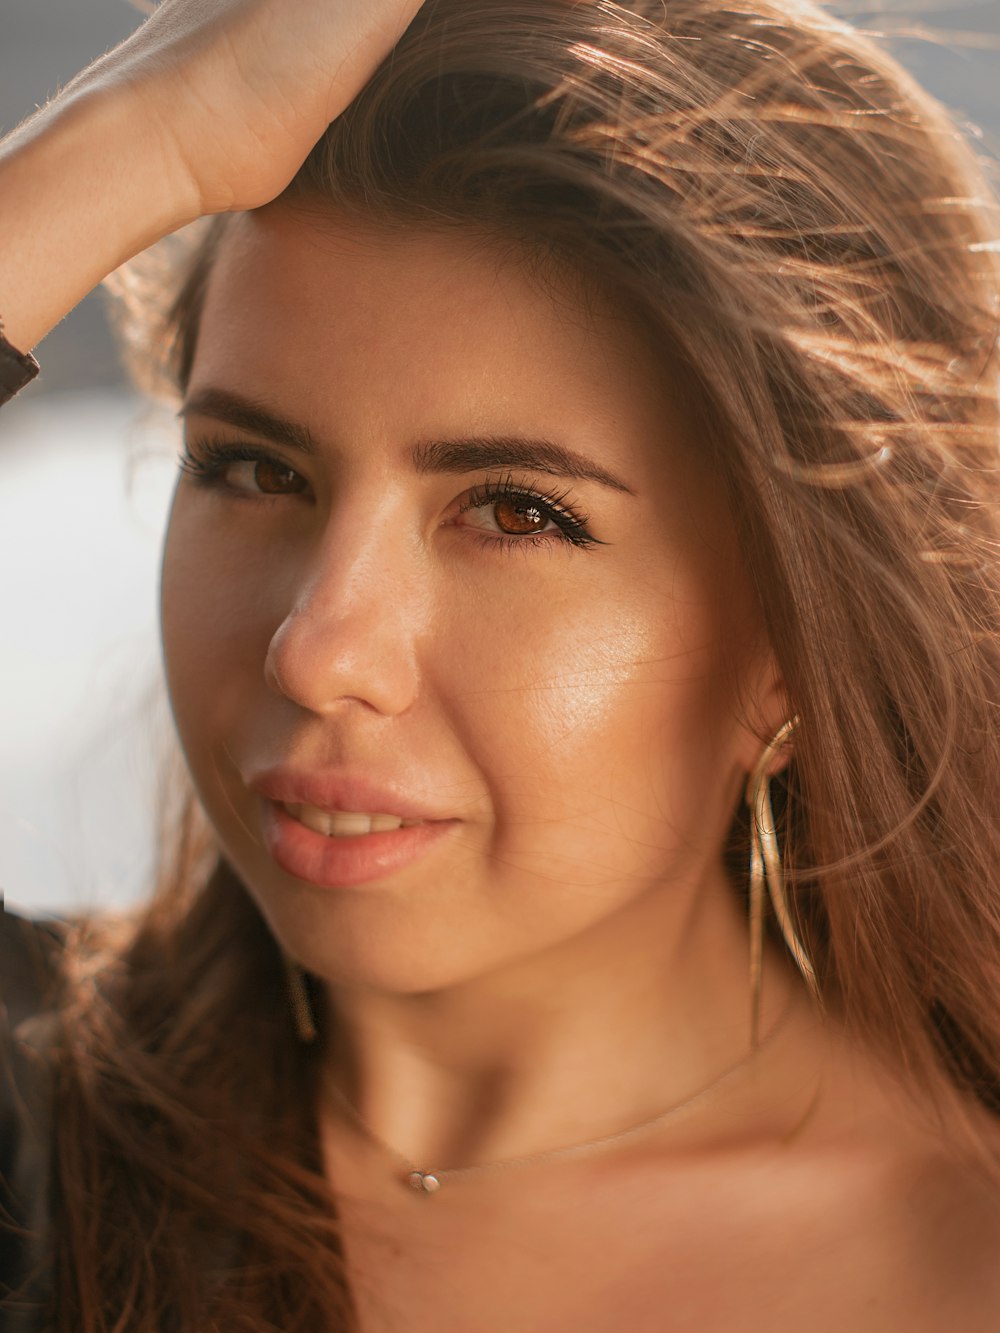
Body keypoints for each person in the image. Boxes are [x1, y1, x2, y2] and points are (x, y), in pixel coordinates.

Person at [2, 0, 999, 1328]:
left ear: (794, 649)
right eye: (254, 468)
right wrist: (142, 143)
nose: (319, 648)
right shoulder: (37, 1140)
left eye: (518, 511)